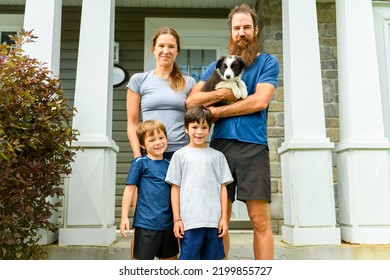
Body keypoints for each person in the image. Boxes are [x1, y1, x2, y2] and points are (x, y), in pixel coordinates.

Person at [186, 4, 279, 260]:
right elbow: (192, 101)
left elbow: (259, 101)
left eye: (246, 27)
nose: (242, 33)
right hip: (220, 149)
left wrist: (216, 112)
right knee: (219, 220)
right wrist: (223, 93)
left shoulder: (267, 62)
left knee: (259, 220)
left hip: (253, 147)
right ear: (230, 33)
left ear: (256, 30)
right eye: (237, 28)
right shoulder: (217, 67)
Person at [125, 27, 196, 257]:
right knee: (145, 216)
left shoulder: (188, 82)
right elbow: (132, 122)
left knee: (177, 214)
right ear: (154, 49)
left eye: (171, 47)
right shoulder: (139, 80)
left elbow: (196, 120)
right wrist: (139, 156)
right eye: (162, 46)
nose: (166, 50)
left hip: (179, 156)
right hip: (149, 157)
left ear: (177, 52)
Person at [165, 105, 233, 260]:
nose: (199, 132)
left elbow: (223, 188)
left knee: (214, 261)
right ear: (186, 128)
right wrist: (177, 219)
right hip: (190, 222)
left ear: (209, 129)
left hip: (213, 222)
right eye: (194, 127)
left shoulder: (218, 156)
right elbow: (175, 188)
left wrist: (223, 218)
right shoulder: (179, 156)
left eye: (204, 127)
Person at [119, 120, 179, 260]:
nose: (158, 142)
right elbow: (129, 191)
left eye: (161, 138)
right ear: (142, 144)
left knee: (171, 260)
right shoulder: (140, 163)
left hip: (167, 224)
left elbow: (176, 192)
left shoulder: (170, 164)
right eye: (151, 140)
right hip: (146, 224)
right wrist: (123, 217)